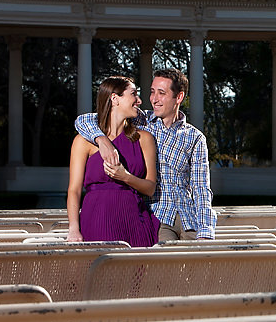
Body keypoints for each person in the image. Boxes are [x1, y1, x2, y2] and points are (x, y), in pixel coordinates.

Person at [75, 68, 217, 241]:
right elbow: (85, 120)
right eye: (152, 92)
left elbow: (202, 188)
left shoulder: (195, 138)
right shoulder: (142, 122)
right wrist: (101, 140)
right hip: (159, 214)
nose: (154, 99)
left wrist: (206, 230)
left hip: (189, 219)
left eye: (161, 93)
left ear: (178, 97)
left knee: (203, 261)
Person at [67, 76, 160, 246]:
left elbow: (150, 188)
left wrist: (125, 177)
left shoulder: (144, 138)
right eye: (134, 94)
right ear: (115, 99)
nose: (139, 100)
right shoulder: (83, 142)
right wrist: (73, 228)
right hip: (95, 218)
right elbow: (74, 190)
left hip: (133, 220)